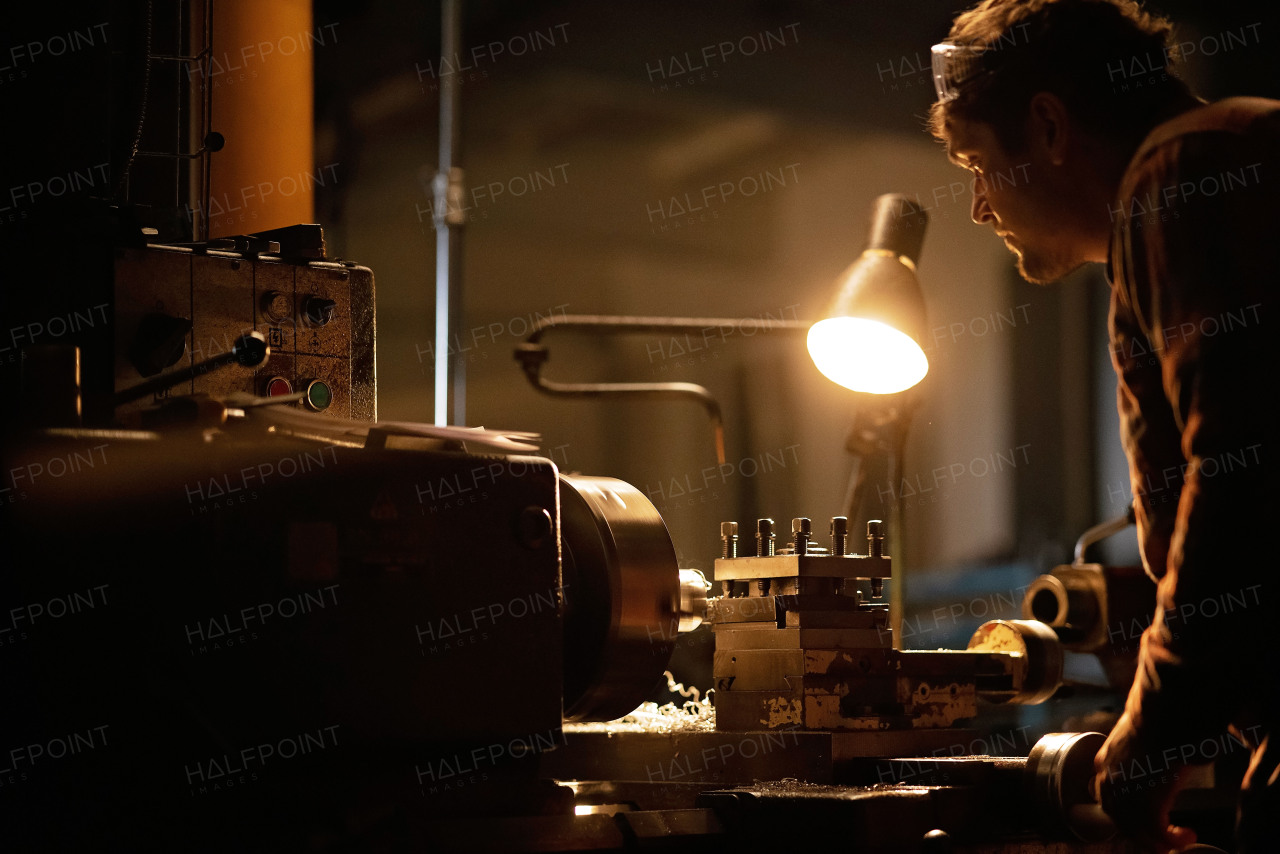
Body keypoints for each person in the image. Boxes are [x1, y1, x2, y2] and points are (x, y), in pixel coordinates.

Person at [927, 0, 1276, 850]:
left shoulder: (1186, 167)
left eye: (978, 163)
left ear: (1048, 125)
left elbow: (1237, 474)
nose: (977, 207)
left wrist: (1152, 742)